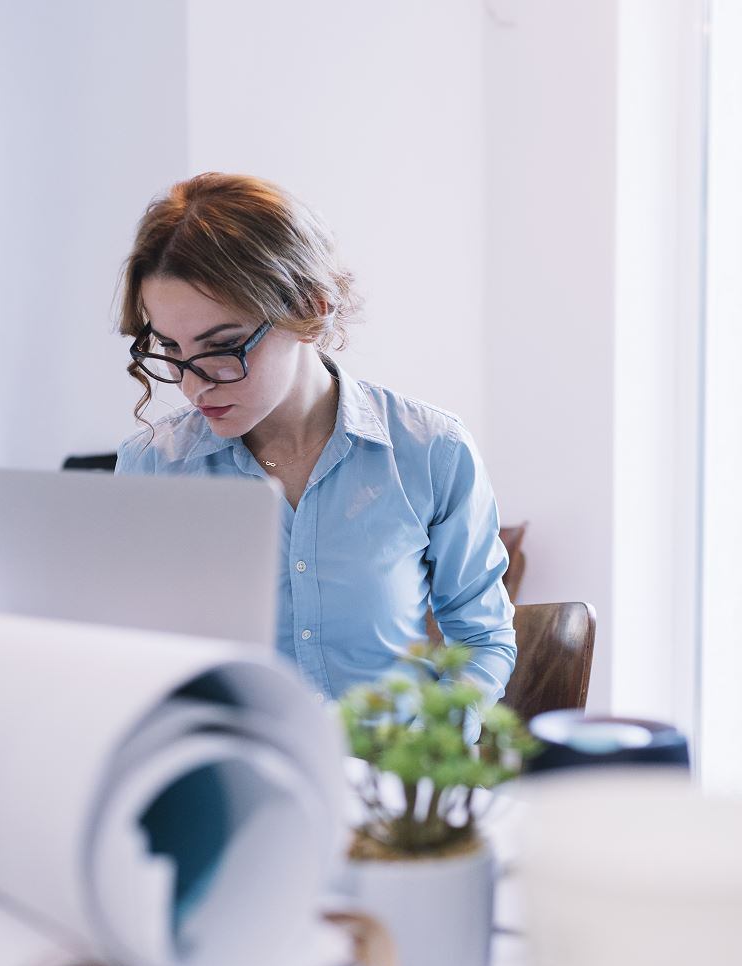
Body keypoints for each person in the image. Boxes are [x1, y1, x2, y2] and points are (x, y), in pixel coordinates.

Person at [114, 173, 516, 703]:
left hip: (388, 778)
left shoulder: (431, 452)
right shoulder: (154, 468)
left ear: (311, 310)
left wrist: (425, 751)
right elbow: (133, 660)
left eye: (223, 346)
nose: (192, 384)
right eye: (169, 347)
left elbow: (483, 638)